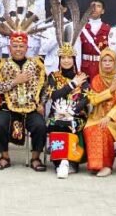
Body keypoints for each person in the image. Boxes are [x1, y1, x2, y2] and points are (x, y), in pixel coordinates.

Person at [0, 30, 47, 172]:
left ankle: (35, 158)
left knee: (40, 125)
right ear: (9, 48)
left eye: (21, 46)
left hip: (31, 107)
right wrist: (15, 81)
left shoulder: (37, 64)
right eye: (15, 46)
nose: (18, 49)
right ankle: (4, 157)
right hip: (8, 107)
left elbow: (46, 88)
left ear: (27, 48)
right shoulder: (1, 65)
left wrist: (41, 103)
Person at [44, 41, 88, 179]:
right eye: (63, 57)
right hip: (56, 114)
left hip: (77, 114)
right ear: (59, 59)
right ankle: (60, 162)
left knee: (70, 123)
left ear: (74, 59)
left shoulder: (82, 76)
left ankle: (71, 161)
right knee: (57, 123)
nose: (66, 60)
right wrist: (72, 84)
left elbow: (86, 98)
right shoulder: (53, 76)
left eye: (69, 57)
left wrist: (72, 111)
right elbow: (54, 95)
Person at [83, 48, 116, 177]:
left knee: (103, 129)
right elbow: (93, 100)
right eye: (104, 61)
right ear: (100, 63)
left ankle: (106, 165)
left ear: (115, 62)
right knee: (90, 129)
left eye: (110, 61)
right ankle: (95, 165)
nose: (107, 64)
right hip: (98, 115)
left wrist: (109, 117)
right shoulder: (96, 79)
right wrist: (110, 91)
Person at [77, 0, 111, 79]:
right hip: (85, 69)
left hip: (102, 68)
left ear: (103, 11)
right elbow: (77, 52)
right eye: (92, 6)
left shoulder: (108, 29)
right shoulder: (81, 28)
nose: (95, 8)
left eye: (98, 6)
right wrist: (78, 69)